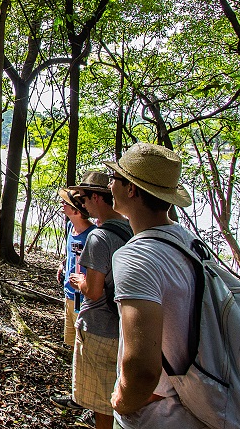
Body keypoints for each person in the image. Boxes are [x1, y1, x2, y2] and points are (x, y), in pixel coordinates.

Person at [104, 142, 206, 428]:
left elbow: (142, 369)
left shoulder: (137, 256)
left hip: (159, 416)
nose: (109, 185)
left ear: (131, 189)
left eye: (115, 179)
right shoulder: (190, 243)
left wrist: (122, 402)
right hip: (196, 405)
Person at [62, 171, 132, 429]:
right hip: (122, 327)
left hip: (100, 328)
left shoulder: (99, 237)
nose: (82, 203)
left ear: (96, 198)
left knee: (102, 403)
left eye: (83, 198)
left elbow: (93, 290)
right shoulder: (129, 227)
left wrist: (79, 282)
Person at [51, 187, 95, 420]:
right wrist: (63, 265)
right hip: (68, 296)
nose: (62, 206)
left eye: (66, 204)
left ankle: (90, 402)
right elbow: (71, 255)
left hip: (85, 301)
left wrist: (84, 282)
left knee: (86, 349)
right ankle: (78, 394)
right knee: (74, 347)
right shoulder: (70, 228)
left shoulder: (94, 237)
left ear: (78, 210)